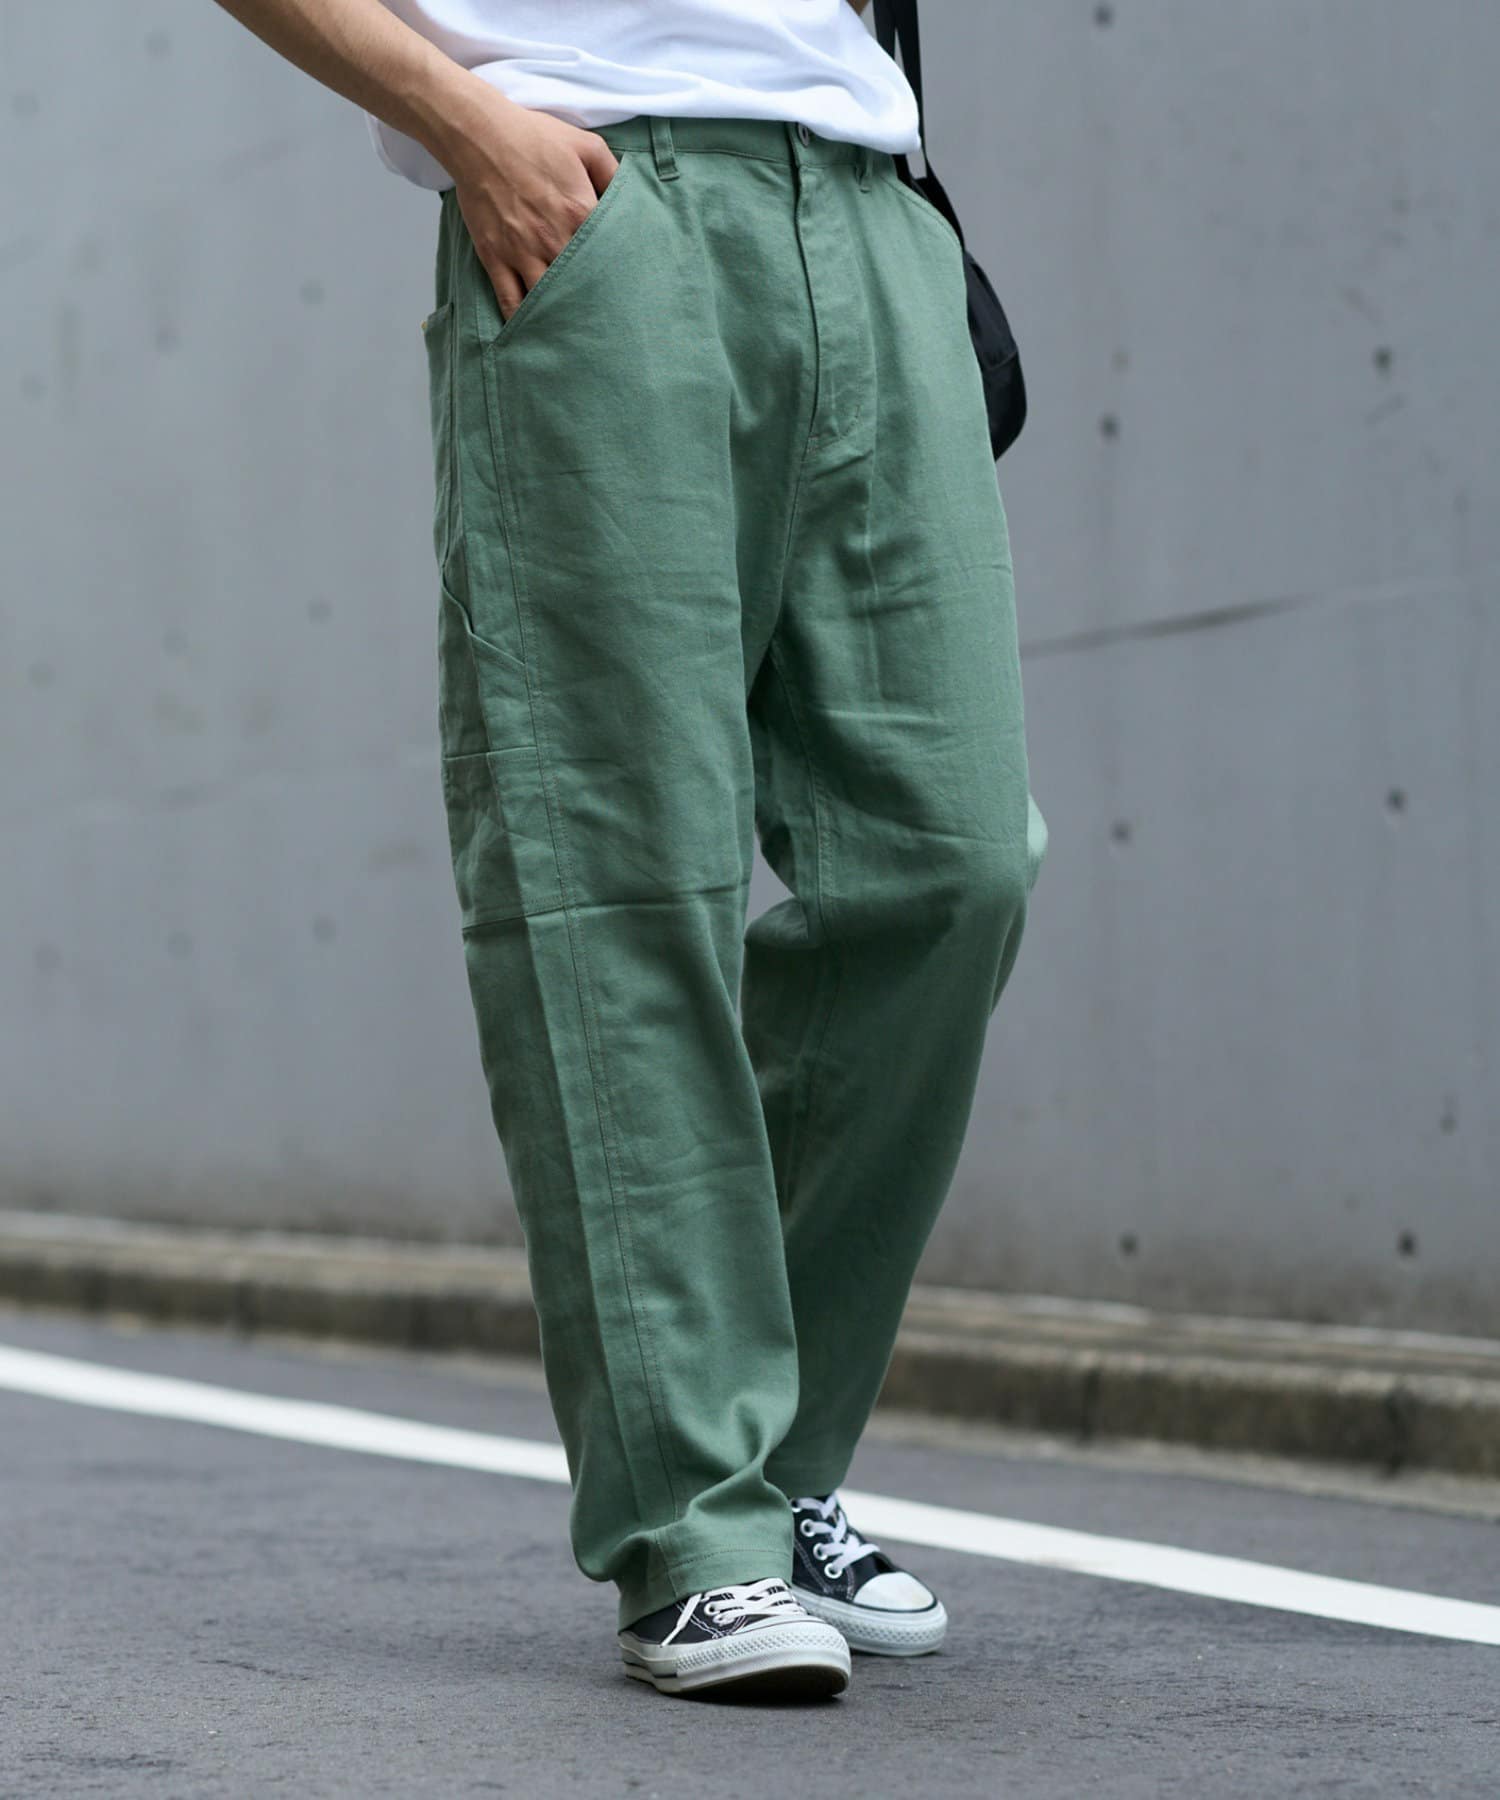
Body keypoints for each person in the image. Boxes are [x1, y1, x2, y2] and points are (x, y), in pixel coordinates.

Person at [211, 0, 1047, 1700]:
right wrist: (467, 127)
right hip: (595, 196)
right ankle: (695, 1528)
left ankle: (778, 1461)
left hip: (872, 201)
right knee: (623, 874)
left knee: (954, 864)